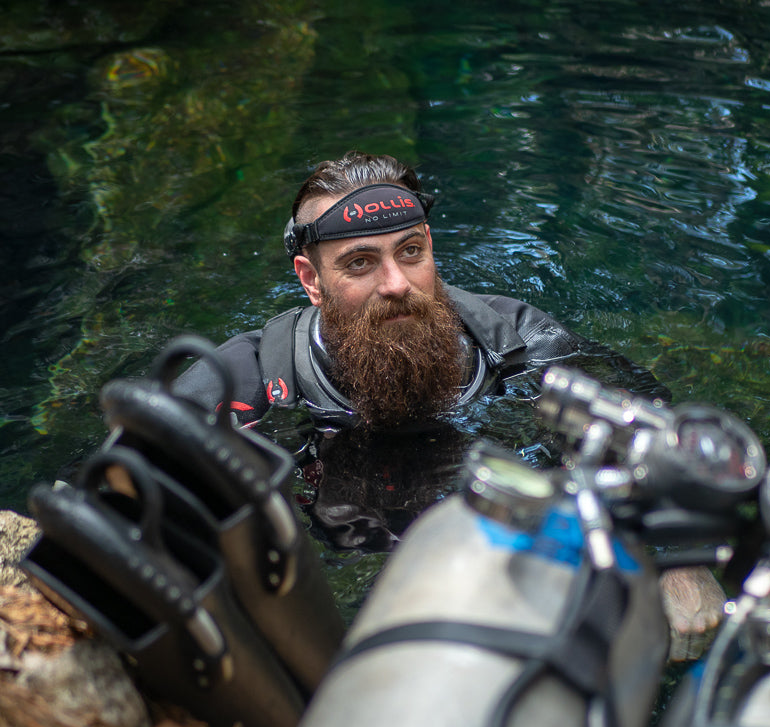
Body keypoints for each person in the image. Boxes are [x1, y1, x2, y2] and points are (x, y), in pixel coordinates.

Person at [173, 151, 722, 661]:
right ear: (311, 280)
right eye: (360, 263)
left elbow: (645, 424)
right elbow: (138, 488)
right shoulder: (250, 380)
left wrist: (677, 556)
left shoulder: (515, 342)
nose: (397, 285)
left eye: (411, 253)